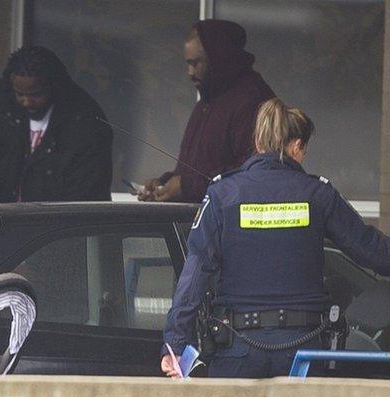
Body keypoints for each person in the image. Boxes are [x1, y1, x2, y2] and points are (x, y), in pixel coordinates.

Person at [161, 99, 390, 379]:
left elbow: (195, 274)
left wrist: (174, 344)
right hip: (302, 351)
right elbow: (371, 250)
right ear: (294, 147)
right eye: (304, 151)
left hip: (237, 346)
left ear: (257, 142)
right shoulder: (317, 194)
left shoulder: (223, 194)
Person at [0, 45, 112, 205]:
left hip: (58, 227)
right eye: (19, 93)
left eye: (36, 94)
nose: (27, 101)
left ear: (54, 86)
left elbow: (88, 192)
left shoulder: (85, 119)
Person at [140, 20, 274, 203]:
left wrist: (186, 186)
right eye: (188, 63)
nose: (189, 72)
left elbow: (253, 172)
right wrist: (164, 184)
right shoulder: (208, 101)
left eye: (196, 63)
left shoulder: (252, 100)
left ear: (219, 57)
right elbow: (195, 169)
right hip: (205, 221)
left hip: (231, 225)